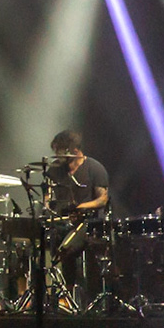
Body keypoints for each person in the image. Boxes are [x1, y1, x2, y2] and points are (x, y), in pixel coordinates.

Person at [47, 129, 110, 305]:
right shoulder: (55, 171)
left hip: (88, 223)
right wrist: (49, 206)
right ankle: (60, 294)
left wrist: (82, 207)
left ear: (74, 150)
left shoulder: (95, 168)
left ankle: (81, 295)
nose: (56, 155)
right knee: (47, 240)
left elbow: (102, 199)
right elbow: (48, 198)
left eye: (59, 150)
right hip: (62, 222)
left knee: (70, 248)